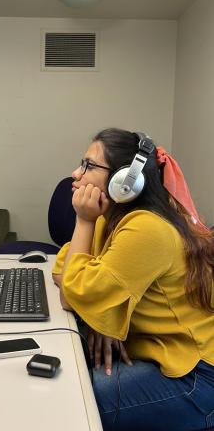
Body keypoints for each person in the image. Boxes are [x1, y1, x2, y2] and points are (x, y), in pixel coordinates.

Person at [52, 128, 214, 431]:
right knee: (69, 371)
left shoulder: (146, 229)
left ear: (125, 180)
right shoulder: (114, 219)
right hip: (165, 356)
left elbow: (71, 291)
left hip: (198, 376)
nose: (76, 173)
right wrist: (98, 306)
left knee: (73, 399)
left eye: (88, 165)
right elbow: (65, 264)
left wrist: (83, 221)